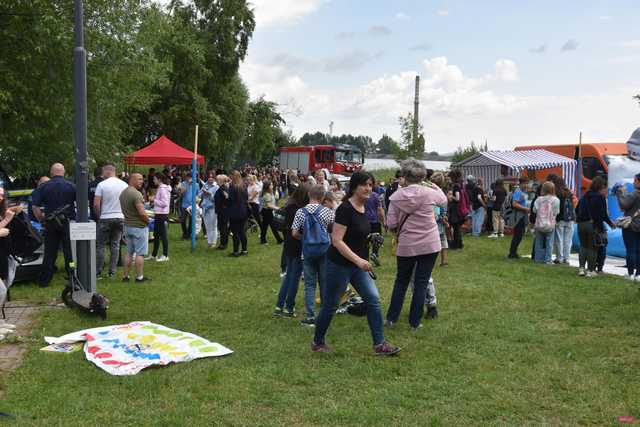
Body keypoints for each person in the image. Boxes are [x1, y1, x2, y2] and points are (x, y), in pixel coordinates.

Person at [312, 172, 401, 356]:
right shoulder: (345, 208)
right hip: (338, 265)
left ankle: (379, 345)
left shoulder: (365, 205)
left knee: (373, 299)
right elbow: (337, 240)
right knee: (331, 305)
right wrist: (359, 260)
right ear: (354, 187)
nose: (369, 188)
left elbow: (356, 234)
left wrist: (370, 239)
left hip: (357, 265)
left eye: (371, 184)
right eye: (364, 185)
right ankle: (318, 342)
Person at [386, 159, 447, 330]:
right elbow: (443, 200)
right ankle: (415, 322)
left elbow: (390, 223)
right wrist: (433, 185)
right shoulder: (429, 193)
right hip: (430, 243)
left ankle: (392, 318)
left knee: (401, 281)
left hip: (407, 244)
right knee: (421, 282)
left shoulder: (395, 197)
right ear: (422, 176)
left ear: (404, 176)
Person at [292, 184, 335, 327]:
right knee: (324, 282)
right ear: (322, 197)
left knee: (309, 285)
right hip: (324, 250)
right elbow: (333, 229)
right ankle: (324, 314)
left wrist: (305, 238)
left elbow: (294, 233)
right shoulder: (327, 211)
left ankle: (310, 316)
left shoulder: (300, 212)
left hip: (308, 251)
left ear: (309, 195)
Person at [31, 163, 76, 288]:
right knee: (69, 252)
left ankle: (45, 280)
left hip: (50, 224)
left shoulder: (43, 187)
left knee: (50, 253)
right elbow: (82, 203)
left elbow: (35, 207)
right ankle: (72, 275)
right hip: (67, 222)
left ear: (51, 172)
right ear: (64, 172)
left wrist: (42, 220)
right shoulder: (71, 186)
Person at [274, 184, 309, 318]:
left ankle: (279, 306)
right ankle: (289, 307)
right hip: (297, 245)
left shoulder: (289, 205)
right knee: (294, 278)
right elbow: (296, 232)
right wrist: (306, 238)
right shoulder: (299, 211)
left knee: (289, 276)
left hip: (288, 244)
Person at [93, 163, 128, 278]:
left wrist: (99, 216)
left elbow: (96, 204)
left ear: (107, 172)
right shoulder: (124, 184)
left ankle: (98, 271)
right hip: (120, 217)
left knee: (101, 245)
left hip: (105, 217)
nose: (102, 175)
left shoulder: (101, 185)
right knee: (115, 244)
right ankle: (112, 272)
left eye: (103, 172)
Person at [576, 176, 614, 277]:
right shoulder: (600, 197)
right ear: (602, 186)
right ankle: (590, 271)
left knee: (583, 246)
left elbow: (577, 209)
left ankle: (581, 269)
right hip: (592, 224)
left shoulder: (584, 196)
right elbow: (603, 214)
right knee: (593, 248)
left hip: (581, 224)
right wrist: (610, 224)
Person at [119, 173, 151, 283]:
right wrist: (148, 221)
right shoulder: (136, 194)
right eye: (139, 179)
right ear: (132, 180)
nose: (142, 181)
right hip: (138, 227)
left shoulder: (123, 193)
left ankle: (125, 277)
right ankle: (139, 277)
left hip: (127, 226)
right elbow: (142, 213)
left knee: (128, 252)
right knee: (140, 253)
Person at [615, 173, 640, 281]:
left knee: (631, 250)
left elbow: (624, 205)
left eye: (635, 180)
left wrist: (619, 193)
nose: (633, 182)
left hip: (631, 225)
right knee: (639, 251)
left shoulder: (635, 193)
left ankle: (630, 274)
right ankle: (638, 275)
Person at [532, 181, 560, 264]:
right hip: (550, 224)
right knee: (549, 242)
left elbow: (534, 210)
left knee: (539, 242)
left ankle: (538, 259)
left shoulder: (539, 199)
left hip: (539, 223)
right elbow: (556, 212)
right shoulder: (556, 200)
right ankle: (548, 260)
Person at [227, 171, 249, 257]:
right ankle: (244, 250)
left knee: (235, 232)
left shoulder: (232, 186)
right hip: (243, 211)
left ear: (234, 176)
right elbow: (246, 197)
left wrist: (227, 197)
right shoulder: (244, 186)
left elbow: (231, 200)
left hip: (234, 212)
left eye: (231, 175)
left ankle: (236, 251)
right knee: (242, 231)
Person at [553, 178, 576, 264]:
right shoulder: (569, 192)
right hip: (570, 219)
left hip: (560, 219)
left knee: (559, 239)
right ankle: (567, 258)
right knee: (568, 240)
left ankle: (559, 257)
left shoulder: (557, 193)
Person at [508, 177, 531, 259]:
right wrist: (525, 208)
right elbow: (514, 204)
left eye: (527, 183)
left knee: (519, 235)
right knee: (518, 234)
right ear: (521, 183)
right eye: (525, 183)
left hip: (522, 215)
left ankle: (513, 252)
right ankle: (512, 253)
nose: (526, 185)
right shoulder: (518, 192)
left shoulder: (522, 191)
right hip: (518, 216)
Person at [151, 172, 171, 261]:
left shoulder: (163, 189)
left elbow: (164, 203)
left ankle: (165, 255)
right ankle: (154, 254)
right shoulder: (160, 188)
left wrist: (154, 200)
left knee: (163, 236)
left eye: (154, 179)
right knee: (156, 235)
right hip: (159, 214)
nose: (153, 180)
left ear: (159, 179)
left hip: (162, 215)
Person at [430, 172, 449, 266]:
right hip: (442, 219)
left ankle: (431, 261)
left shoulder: (432, 193)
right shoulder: (442, 193)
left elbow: (435, 213)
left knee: (434, 241)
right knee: (443, 240)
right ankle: (444, 260)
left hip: (435, 221)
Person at [365, 184, 385, 266]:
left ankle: (365, 257)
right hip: (375, 221)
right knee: (377, 240)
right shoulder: (376, 196)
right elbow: (380, 209)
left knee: (365, 240)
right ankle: (375, 254)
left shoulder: (362, 196)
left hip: (364, 221)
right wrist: (383, 221)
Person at [260, 181, 283, 245]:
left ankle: (263, 239)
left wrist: (276, 207)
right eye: (271, 185)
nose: (272, 186)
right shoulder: (267, 194)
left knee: (265, 226)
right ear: (268, 187)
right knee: (273, 226)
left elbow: (272, 203)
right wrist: (277, 208)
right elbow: (269, 205)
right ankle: (279, 240)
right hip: (266, 212)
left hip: (268, 211)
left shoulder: (271, 193)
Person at [199, 172, 219, 248]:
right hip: (205, 207)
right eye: (209, 177)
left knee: (213, 225)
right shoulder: (205, 185)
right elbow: (199, 194)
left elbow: (217, 199)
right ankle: (209, 242)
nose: (210, 178)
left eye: (212, 177)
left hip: (213, 208)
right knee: (207, 226)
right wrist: (203, 193)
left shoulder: (216, 187)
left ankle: (214, 242)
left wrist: (210, 194)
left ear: (214, 178)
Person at [447, 170, 465, 250]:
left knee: (456, 228)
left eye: (450, 177)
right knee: (457, 228)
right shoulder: (460, 185)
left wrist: (451, 197)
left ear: (453, 177)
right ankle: (460, 244)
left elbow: (458, 198)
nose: (449, 179)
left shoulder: (456, 186)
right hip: (457, 209)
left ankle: (455, 245)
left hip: (455, 210)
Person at [214, 175, 230, 250]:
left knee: (223, 227)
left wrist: (224, 205)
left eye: (217, 180)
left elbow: (227, 198)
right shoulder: (221, 188)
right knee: (222, 227)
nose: (216, 181)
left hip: (223, 211)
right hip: (221, 210)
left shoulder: (223, 188)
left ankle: (223, 244)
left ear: (221, 181)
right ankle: (223, 243)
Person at [179, 174, 195, 239]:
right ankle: (185, 233)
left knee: (191, 221)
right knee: (182, 220)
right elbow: (181, 192)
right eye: (188, 177)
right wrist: (187, 185)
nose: (189, 179)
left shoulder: (196, 184)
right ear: (186, 178)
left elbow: (198, 194)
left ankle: (188, 234)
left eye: (190, 177)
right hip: (184, 205)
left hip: (192, 205)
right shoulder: (183, 183)